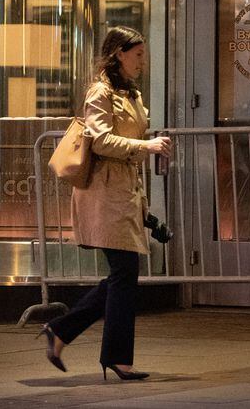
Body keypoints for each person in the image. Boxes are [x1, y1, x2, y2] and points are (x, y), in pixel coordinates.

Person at [37, 25, 171, 381]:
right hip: (105, 192)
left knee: (122, 275)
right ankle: (113, 356)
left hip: (125, 191)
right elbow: (99, 140)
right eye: (138, 55)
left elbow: (128, 138)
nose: (143, 61)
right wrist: (146, 146)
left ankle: (63, 332)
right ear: (119, 54)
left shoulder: (130, 93)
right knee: (124, 273)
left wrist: (146, 149)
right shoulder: (101, 91)